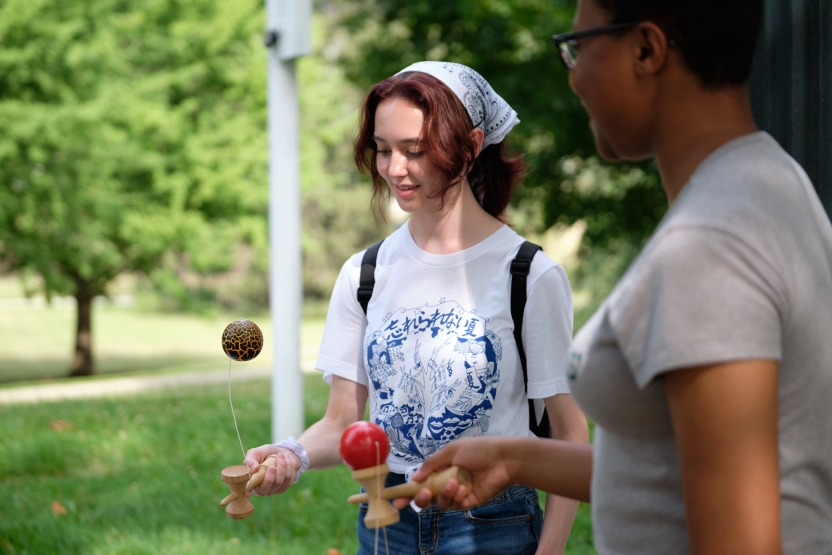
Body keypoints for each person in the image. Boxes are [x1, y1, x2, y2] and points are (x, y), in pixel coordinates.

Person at [399, 1, 832, 554]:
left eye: (578, 48)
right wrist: (513, 458)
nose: (574, 76)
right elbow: (670, 467)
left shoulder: (710, 247)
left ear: (646, 50)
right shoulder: (770, 180)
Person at [243, 61, 589, 555]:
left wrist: (549, 552)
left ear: (470, 146)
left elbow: (569, 431)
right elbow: (342, 422)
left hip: (494, 525)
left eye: (415, 151)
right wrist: (291, 455)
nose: (394, 169)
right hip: (386, 522)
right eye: (383, 150)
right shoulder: (364, 274)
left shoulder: (529, 275)